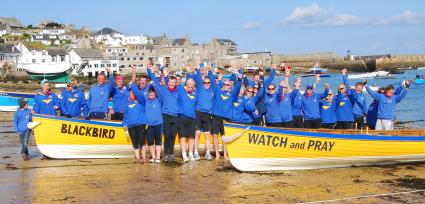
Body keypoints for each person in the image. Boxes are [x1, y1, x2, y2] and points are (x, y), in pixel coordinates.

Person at [148, 66, 179, 162]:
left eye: (174, 82)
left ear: (175, 83)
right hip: (165, 114)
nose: (172, 84)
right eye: (170, 82)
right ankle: (166, 154)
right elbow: (155, 82)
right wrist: (151, 72)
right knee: (167, 135)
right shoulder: (163, 89)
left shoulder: (178, 90)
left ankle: (171, 154)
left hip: (175, 115)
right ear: (168, 82)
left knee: (173, 135)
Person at [210, 69, 242, 160]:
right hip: (216, 117)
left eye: (228, 85)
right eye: (224, 84)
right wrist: (210, 72)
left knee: (224, 137)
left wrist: (239, 80)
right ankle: (217, 153)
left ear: (230, 86)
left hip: (226, 119)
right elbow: (212, 82)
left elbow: (237, 88)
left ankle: (225, 154)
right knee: (215, 136)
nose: (225, 86)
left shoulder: (232, 95)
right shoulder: (218, 91)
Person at [132, 83, 162, 163]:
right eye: (150, 92)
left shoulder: (159, 100)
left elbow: (159, 91)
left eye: (153, 92)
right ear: (148, 93)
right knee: (150, 141)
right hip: (148, 125)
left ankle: (158, 157)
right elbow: (138, 94)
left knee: (158, 141)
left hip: (158, 124)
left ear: (155, 93)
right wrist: (133, 85)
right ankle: (153, 157)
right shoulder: (145, 101)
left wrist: (153, 84)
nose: (151, 94)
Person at [192, 66, 214, 161]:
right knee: (197, 134)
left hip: (207, 114)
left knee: (207, 135)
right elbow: (197, 77)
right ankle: (196, 153)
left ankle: (208, 153)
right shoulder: (200, 87)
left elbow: (212, 79)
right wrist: (198, 67)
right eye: (205, 82)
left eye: (208, 82)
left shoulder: (212, 90)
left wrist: (210, 72)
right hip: (198, 112)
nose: (206, 84)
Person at [176, 77, 197, 162]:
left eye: (191, 83)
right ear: (186, 83)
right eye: (188, 83)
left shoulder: (196, 92)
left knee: (192, 137)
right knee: (183, 137)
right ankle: (184, 155)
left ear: (194, 85)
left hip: (192, 117)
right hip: (182, 117)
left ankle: (191, 154)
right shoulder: (181, 89)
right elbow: (172, 84)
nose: (190, 85)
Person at [123, 90, 147, 163]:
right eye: (130, 93)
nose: (131, 94)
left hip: (140, 124)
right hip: (130, 126)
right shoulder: (127, 104)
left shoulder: (141, 102)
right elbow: (125, 115)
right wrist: (124, 124)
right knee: (135, 142)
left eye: (132, 93)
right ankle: (137, 158)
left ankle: (144, 157)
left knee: (142, 141)